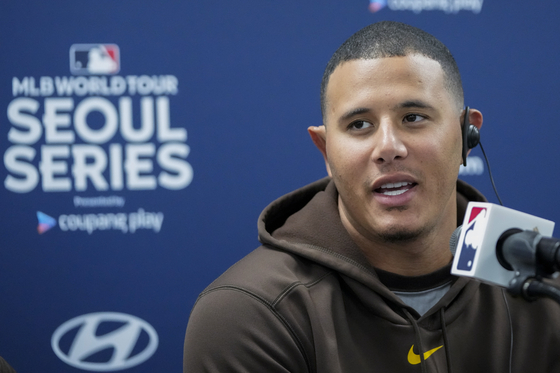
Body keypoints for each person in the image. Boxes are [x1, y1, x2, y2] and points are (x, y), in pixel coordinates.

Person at [183, 21, 560, 372]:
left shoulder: (546, 288)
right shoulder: (250, 311)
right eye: (359, 125)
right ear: (325, 150)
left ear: (467, 134)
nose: (388, 147)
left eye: (413, 117)